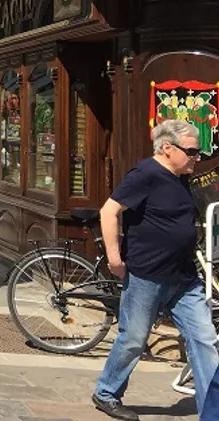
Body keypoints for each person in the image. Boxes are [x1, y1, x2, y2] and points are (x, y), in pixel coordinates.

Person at [92, 120, 219, 420]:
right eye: (191, 151)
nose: (197, 157)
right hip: (147, 275)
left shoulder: (182, 177)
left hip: (184, 278)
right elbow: (108, 211)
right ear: (167, 148)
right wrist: (114, 259)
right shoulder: (145, 174)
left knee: (204, 339)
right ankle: (107, 392)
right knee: (134, 339)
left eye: (199, 151)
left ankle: (213, 411)